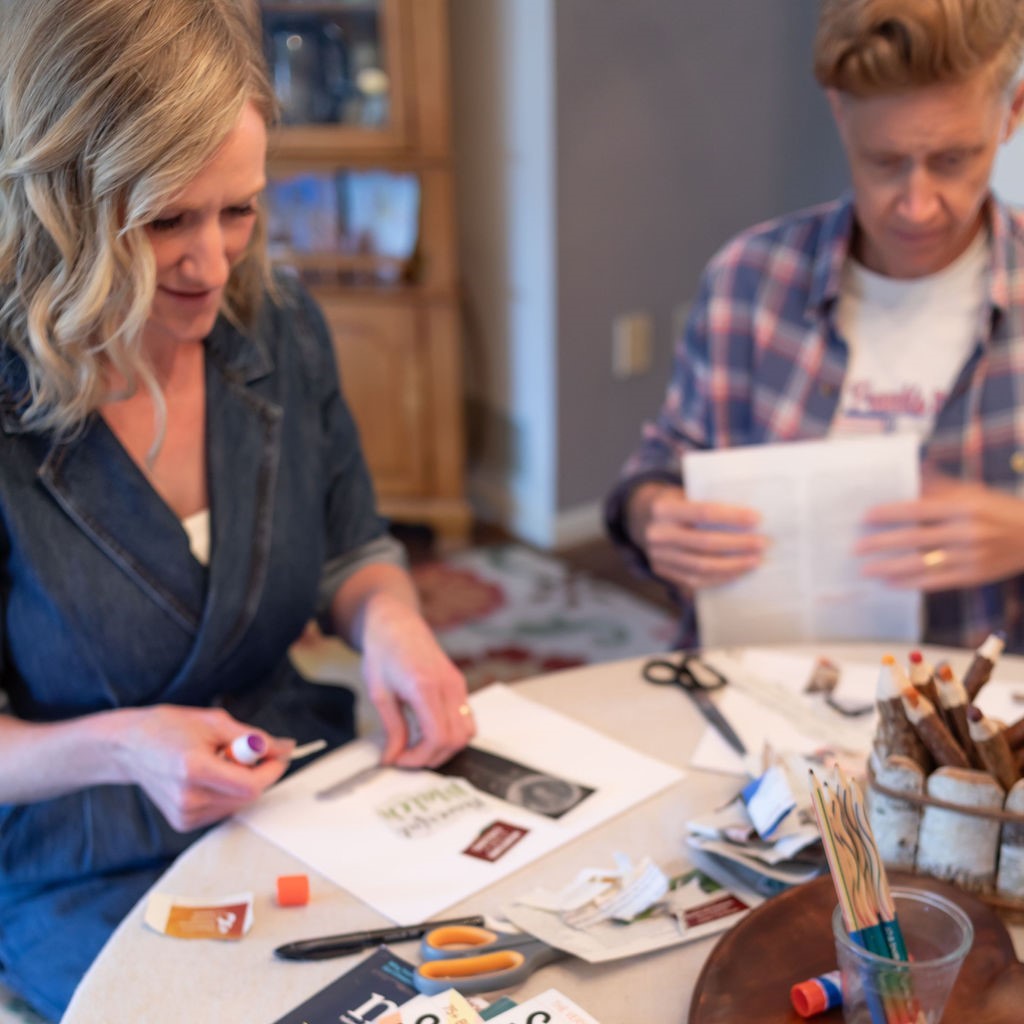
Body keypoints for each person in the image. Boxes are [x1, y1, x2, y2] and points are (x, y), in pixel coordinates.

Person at [0, 1, 475, 1017]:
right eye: (165, 218)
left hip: (295, 780)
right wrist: (125, 744)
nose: (213, 265)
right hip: (87, 849)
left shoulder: (277, 318)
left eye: (240, 209)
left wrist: (392, 624)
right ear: (64, 204)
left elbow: (352, 543)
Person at [606, 0, 1024, 654]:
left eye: (952, 161)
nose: (916, 206)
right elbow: (663, 462)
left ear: (1014, 112)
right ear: (839, 112)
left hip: (979, 730)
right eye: (884, 161)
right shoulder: (749, 281)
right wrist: (651, 512)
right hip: (757, 700)